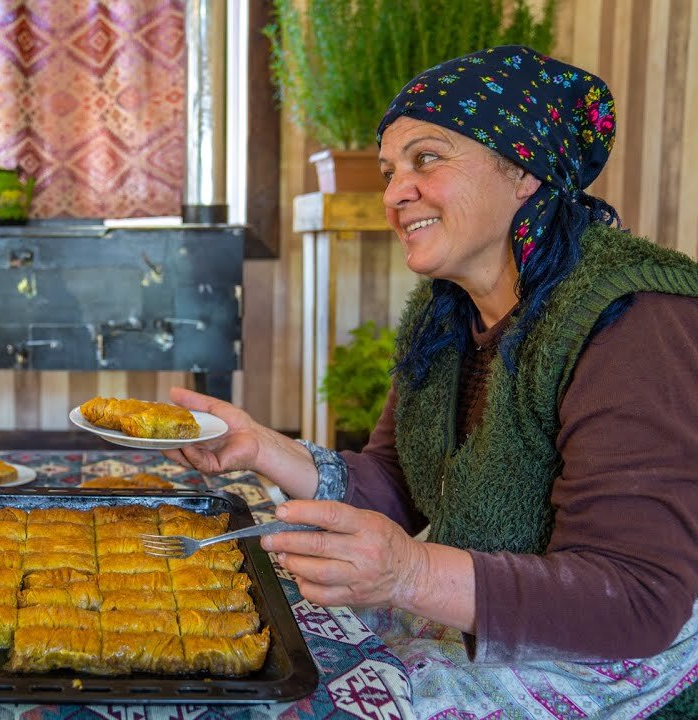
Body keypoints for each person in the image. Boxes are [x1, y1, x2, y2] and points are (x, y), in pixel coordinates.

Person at [167, 46, 698, 718]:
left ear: (524, 171)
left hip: (615, 666)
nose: (394, 193)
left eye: (427, 159)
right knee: (246, 639)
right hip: (490, 629)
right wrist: (261, 447)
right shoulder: (446, 314)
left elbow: (639, 598)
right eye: (390, 171)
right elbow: (398, 487)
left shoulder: (635, 320)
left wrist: (410, 574)